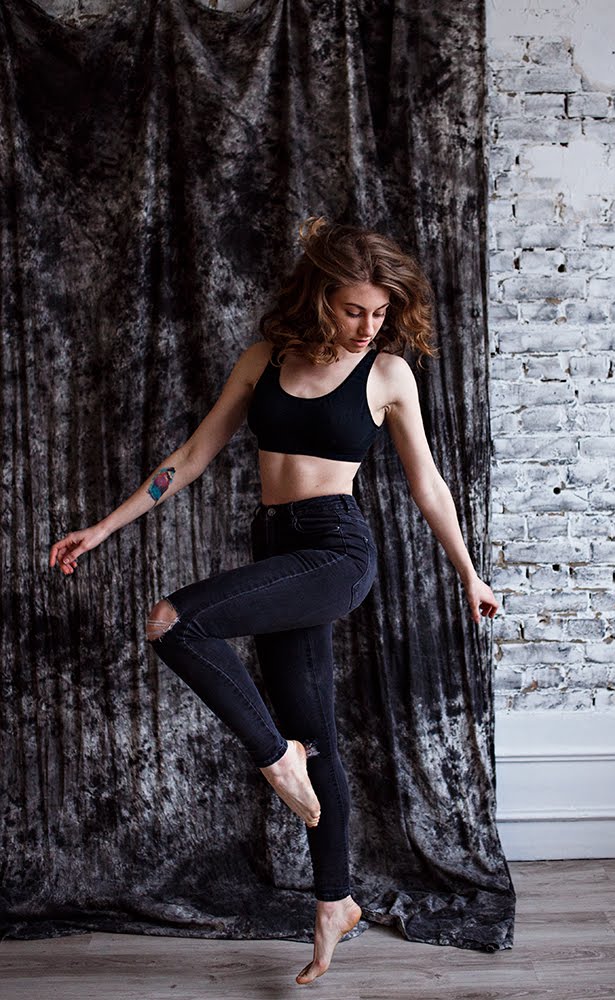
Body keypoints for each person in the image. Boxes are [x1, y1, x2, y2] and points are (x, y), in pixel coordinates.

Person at [49, 216, 499, 985]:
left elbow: (426, 482)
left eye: (379, 313)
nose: (367, 326)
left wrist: (468, 572)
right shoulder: (265, 359)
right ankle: (335, 901)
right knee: (314, 734)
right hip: (276, 547)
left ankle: (273, 755)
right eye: (353, 310)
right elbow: (191, 455)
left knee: (175, 621)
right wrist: (103, 527)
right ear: (321, 297)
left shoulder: (387, 374)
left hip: (335, 550)